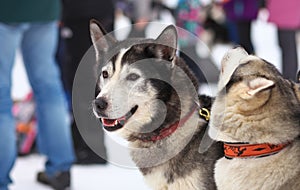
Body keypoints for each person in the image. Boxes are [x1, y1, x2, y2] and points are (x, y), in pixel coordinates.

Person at [0, 1, 75, 190]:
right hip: (44, 10)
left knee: (1, 96)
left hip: (6, 12)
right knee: (48, 88)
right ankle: (60, 168)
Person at [59, 0, 115, 164]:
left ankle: (90, 146)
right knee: (91, 79)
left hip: (82, 16)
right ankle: (83, 142)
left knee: (83, 80)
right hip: (98, 13)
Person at [266, 0, 300, 80]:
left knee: (288, 49)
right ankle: (289, 78)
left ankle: (289, 78)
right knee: (286, 47)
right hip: (285, 12)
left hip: (287, 13)